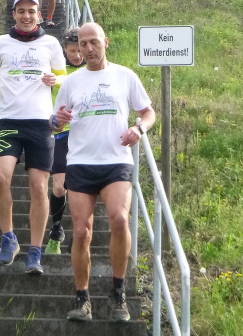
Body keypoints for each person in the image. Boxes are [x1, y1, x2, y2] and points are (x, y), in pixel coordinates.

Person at [50, 22, 156, 321]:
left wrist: (138, 129)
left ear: (105, 42)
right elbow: (55, 122)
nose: (88, 49)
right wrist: (57, 120)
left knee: (120, 220)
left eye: (94, 42)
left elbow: (148, 112)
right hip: (80, 162)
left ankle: (118, 293)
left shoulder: (125, 76)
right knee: (81, 231)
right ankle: (82, 298)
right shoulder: (71, 82)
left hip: (115, 161)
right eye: (83, 44)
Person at [0, 0, 67, 275]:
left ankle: (35, 251)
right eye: (21, 11)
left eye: (31, 11)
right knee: (1, 177)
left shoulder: (50, 43)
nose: (26, 16)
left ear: (39, 15)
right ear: (14, 14)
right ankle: (8, 238)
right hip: (8, 121)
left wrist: (56, 79)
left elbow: (64, 77)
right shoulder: (0, 43)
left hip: (41, 124)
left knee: (39, 187)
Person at [45, 28, 86, 255]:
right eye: (72, 51)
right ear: (64, 50)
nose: (77, 55)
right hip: (61, 134)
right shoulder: (57, 71)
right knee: (59, 186)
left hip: (85, 135)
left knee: (82, 188)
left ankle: (80, 235)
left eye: (80, 50)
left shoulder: (93, 70)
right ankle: (57, 229)